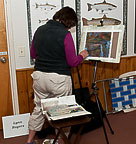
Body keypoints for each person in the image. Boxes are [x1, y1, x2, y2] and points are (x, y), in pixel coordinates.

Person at [26, 6, 88, 144]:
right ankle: (61, 141)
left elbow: (33, 54)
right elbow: (72, 62)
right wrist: (82, 56)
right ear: (68, 22)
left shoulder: (39, 30)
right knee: (63, 113)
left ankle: (29, 140)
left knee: (39, 109)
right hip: (59, 79)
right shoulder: (65, 35)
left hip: (39, 77)